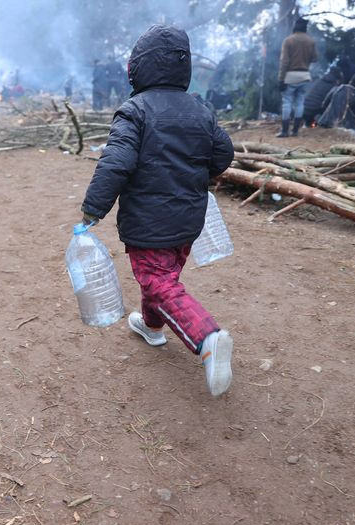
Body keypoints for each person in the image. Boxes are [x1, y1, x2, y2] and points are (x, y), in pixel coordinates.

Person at [79, 25, 236, 396]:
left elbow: (116, 163)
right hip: (188, 218)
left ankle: (207, 338)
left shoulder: (134, 111)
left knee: (156, 280)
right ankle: (151, 327)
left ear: (139, 67)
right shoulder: (200, 109)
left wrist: (93, 208)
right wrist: (195, 176)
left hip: (149, 222)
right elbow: (223, 154)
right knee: (163, 278)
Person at [277, 17, 318, 137]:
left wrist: (281, 79)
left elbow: (284, 62)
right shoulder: (311, 41)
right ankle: (295, 131)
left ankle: (285, 131)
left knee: (287, 102)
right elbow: (315, 58)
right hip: (305, 76)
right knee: (300, 102)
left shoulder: (288, 40)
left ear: (295, 28)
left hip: (290, 76)